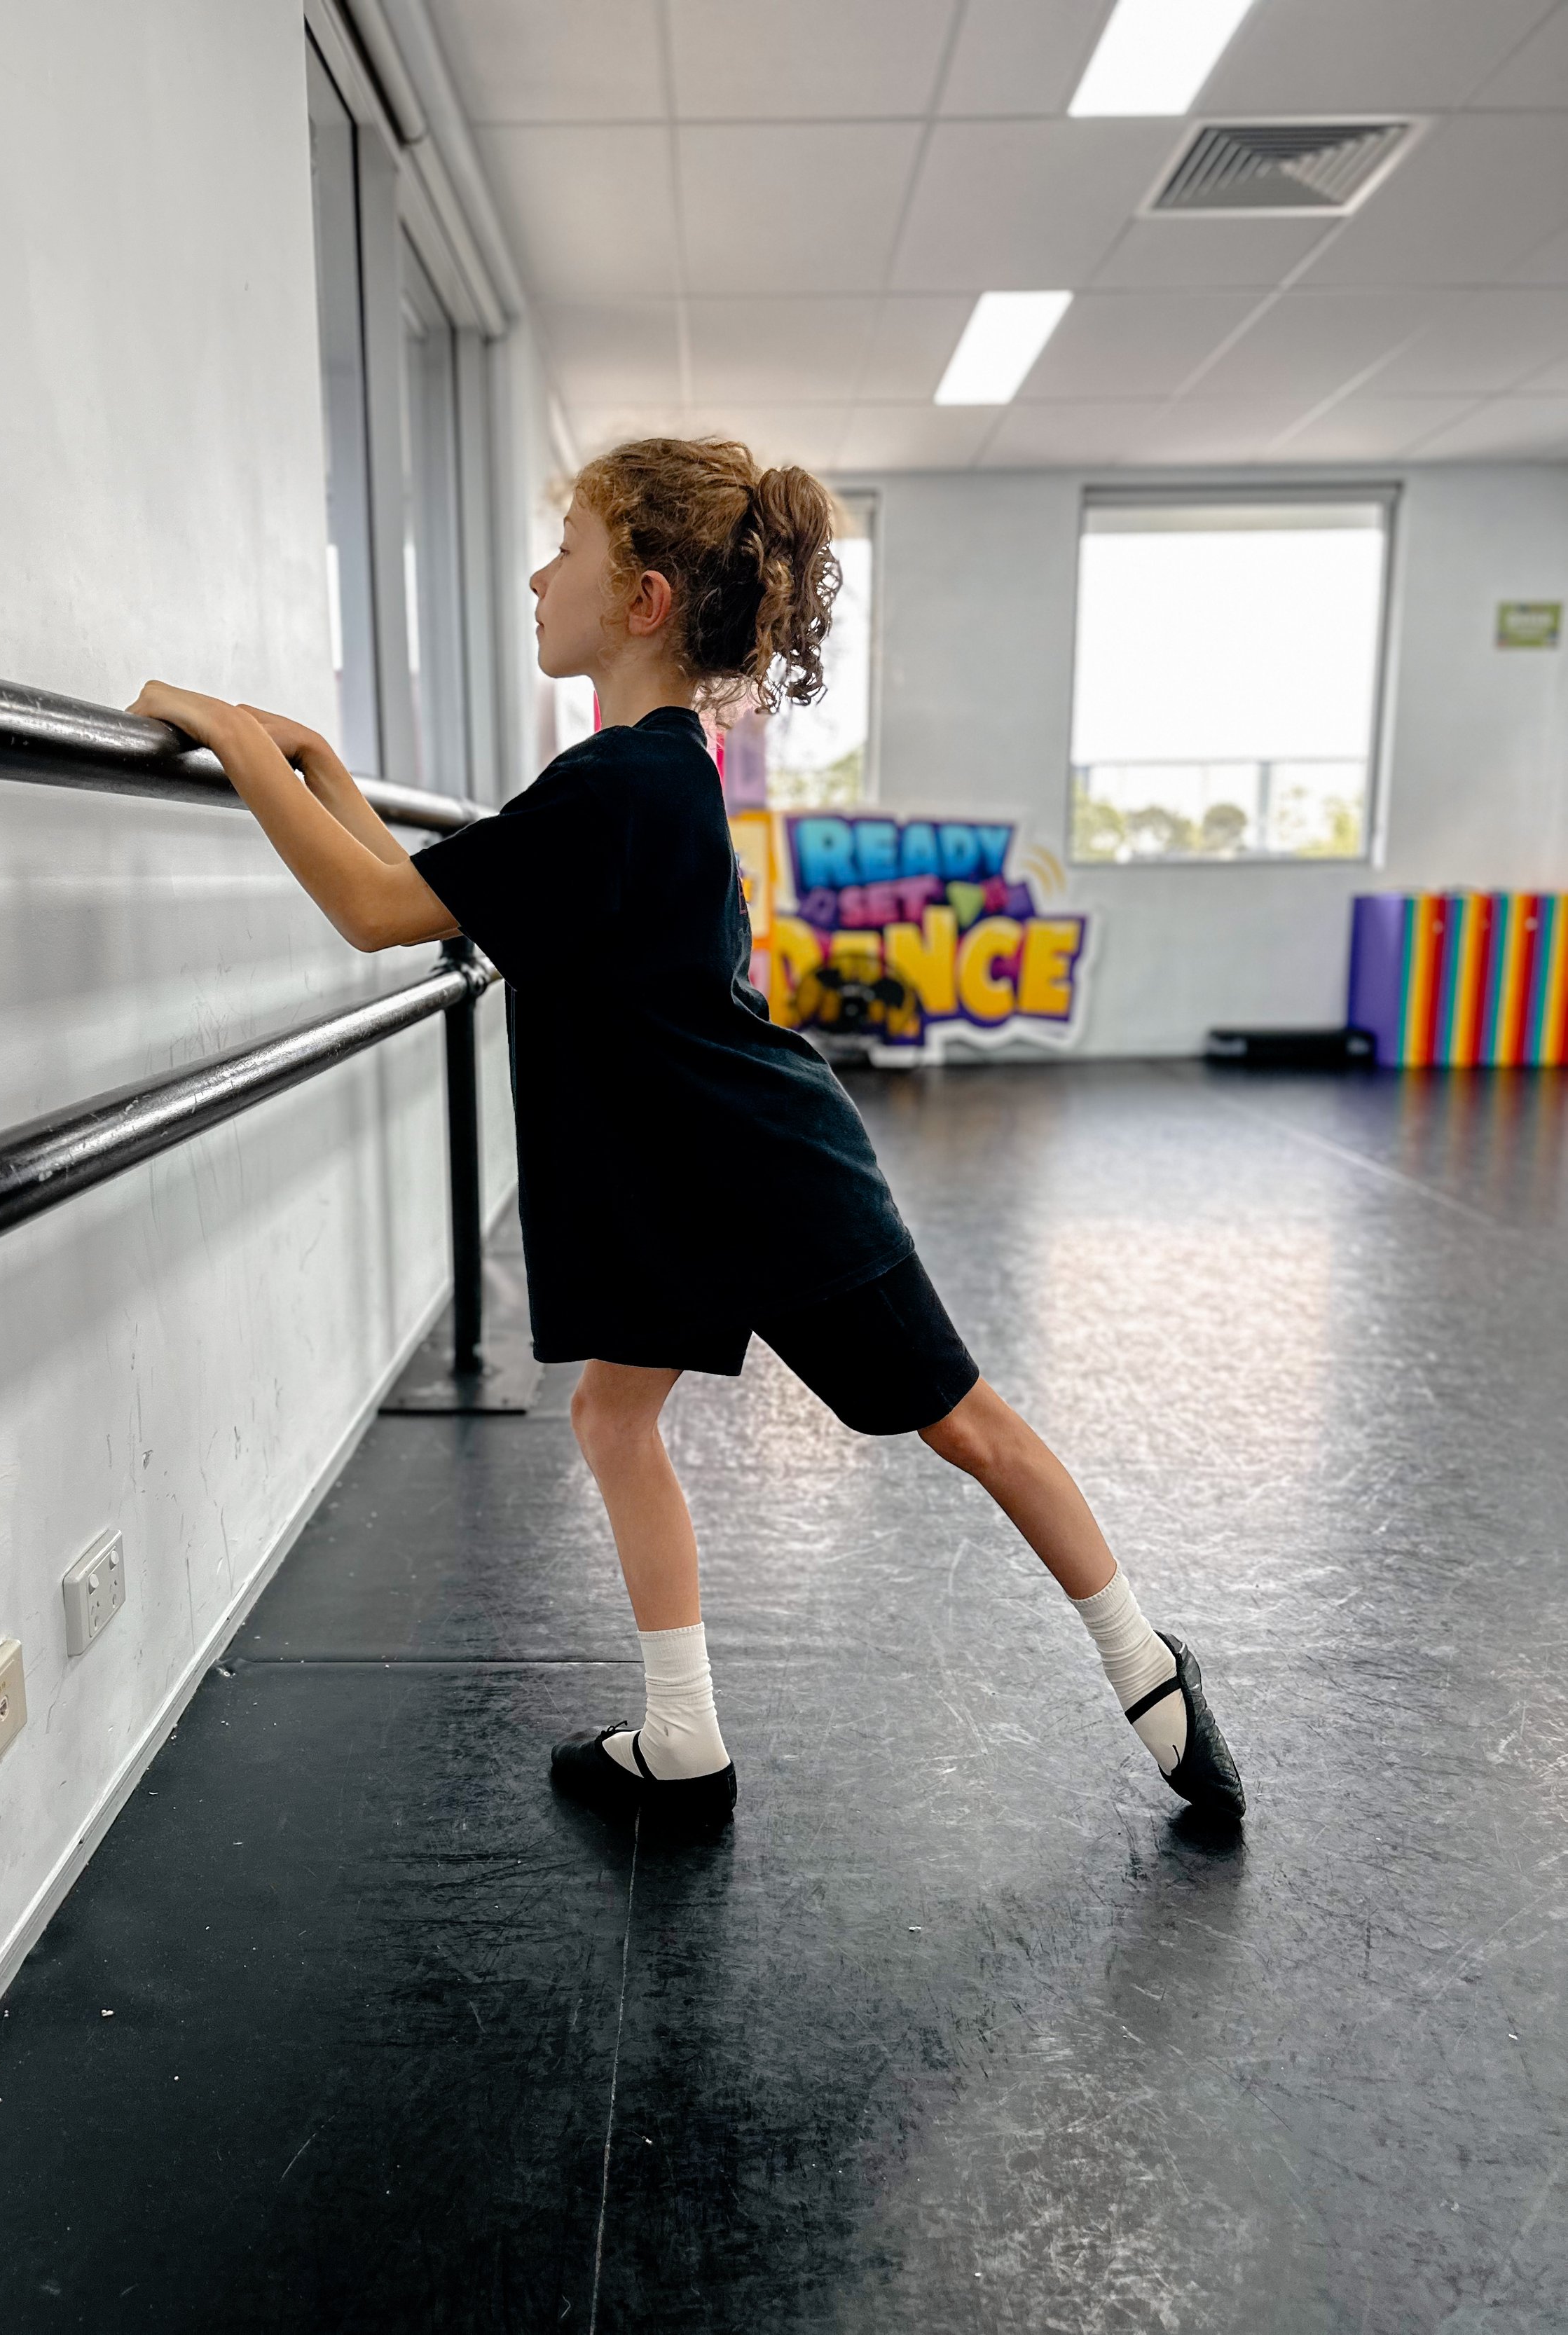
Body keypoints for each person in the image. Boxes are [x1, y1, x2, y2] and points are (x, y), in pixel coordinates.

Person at [129, 436, 1245, 1842]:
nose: (540, 577)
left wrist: (235, 743)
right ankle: (681, 1733)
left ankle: (1150, 1668)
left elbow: (373, 912)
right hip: (685, 1179)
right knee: (612, 1413)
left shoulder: (624, 785)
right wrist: (328, 772)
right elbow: (435, 890)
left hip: (766, 1178)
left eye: (567, 552)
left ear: (643, 599)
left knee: (964, 1422)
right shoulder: (634, 773)